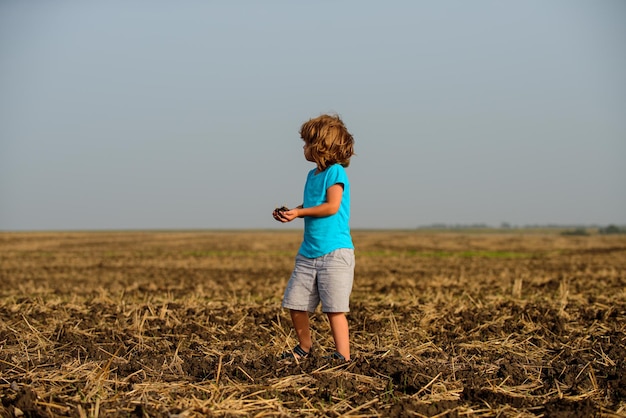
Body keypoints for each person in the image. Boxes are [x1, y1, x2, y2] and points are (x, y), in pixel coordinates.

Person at [273, 114, 356, 362]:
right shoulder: (313, 175)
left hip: (335, 253)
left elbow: (331, 206)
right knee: (295, 303)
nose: (303, 148)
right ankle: (304, 348)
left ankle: (343, 355)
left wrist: (300, 212)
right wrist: (293, 213)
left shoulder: (336, 173)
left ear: (321, 146)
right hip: (309, 252)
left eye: (307, 143)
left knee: (334, 309)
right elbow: (313, 204)